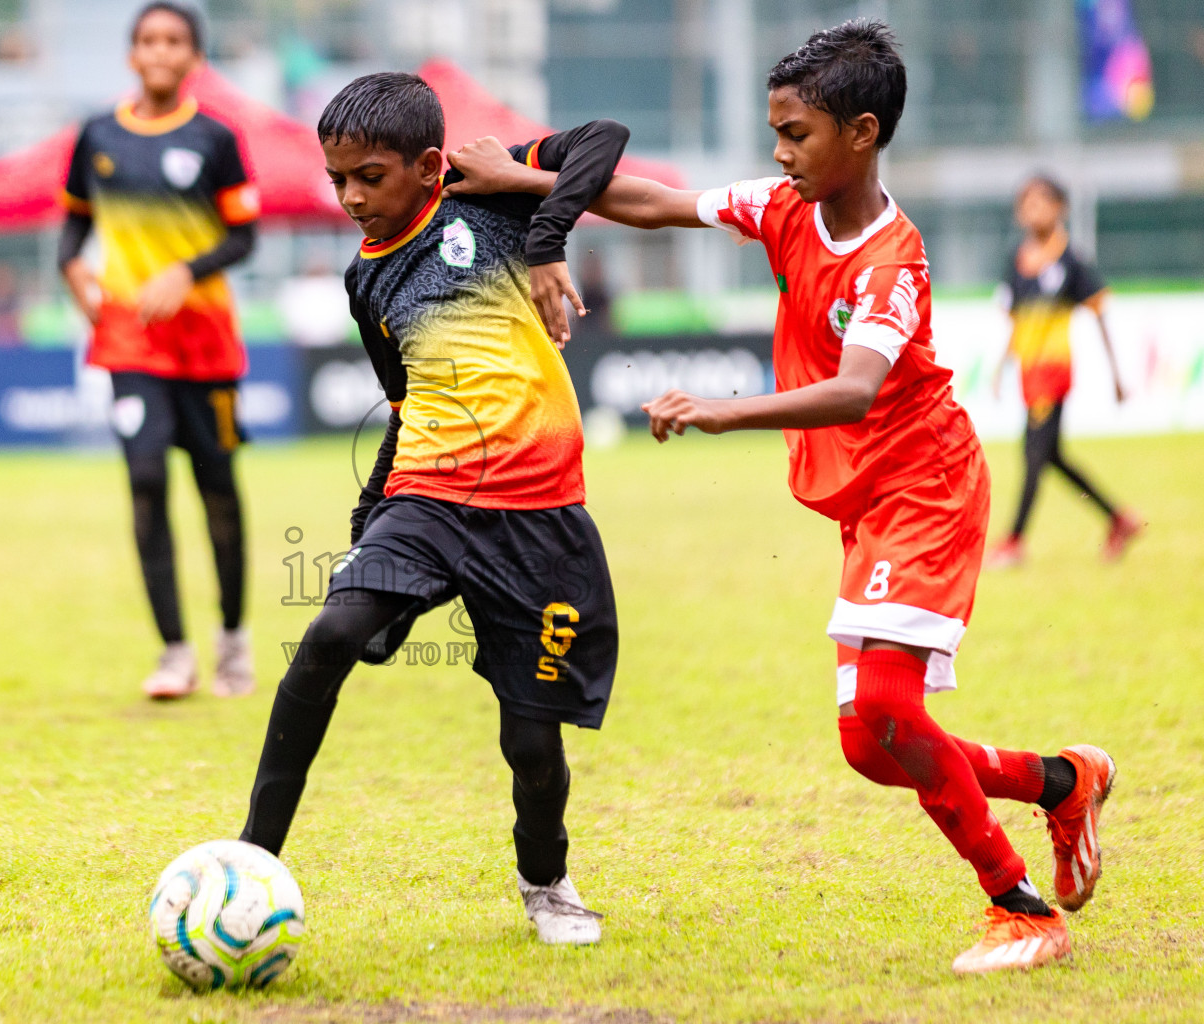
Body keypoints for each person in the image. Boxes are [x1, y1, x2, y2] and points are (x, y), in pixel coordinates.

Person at [447, 20, 1115, 975]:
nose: (778, 150)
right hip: (866, 499)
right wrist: (518, 180)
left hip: (924, 485)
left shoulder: (896, 261)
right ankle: (1060, 782)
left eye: (795, 132)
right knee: (874, 745)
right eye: (776, 131)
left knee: (885, 706)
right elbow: (655, 202)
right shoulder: (783, 205)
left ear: (863, 133)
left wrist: (721, 412)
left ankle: (1021, 911)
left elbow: (856, 389)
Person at [237, 71, 629, 945]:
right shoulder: (363, 279)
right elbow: (409, 399)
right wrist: (367, 521)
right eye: (337, 179)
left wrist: (548, 237)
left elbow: (603, 133)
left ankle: (547, 880)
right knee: (330, 634)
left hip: (541, 518)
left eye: (368, 177)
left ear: (427, 165)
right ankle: (251, 862)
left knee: (533, 744)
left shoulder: (488, 197)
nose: (349, 198)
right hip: (429, 497)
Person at [58, 1, 259, 700]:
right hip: (129, 338)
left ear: (194, 58)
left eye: (174, 41)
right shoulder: (98, 134)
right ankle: (175, 652)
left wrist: (187, 271)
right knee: (146, 485)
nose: (160, 51)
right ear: (132, 55)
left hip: (206, 343)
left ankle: (233, 639)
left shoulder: (216, 138)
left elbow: (244, 237)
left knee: (219, 494)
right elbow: (72, 229)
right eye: (149, 40)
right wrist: (74, 273)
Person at [984, 175, 1142, 568]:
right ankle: (1119, 519)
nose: (1032, 210)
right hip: (1027, 371)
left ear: (1060, 209)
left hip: (1054, 372)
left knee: (1032, 455)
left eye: (1041, 202)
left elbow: (1100, 314)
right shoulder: (1016, 259)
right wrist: (999, 369)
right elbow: (1015, 321)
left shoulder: (1071, 259)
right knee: (1051, 456)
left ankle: (1014, 542)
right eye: (1026, 203)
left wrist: (1117, 376)